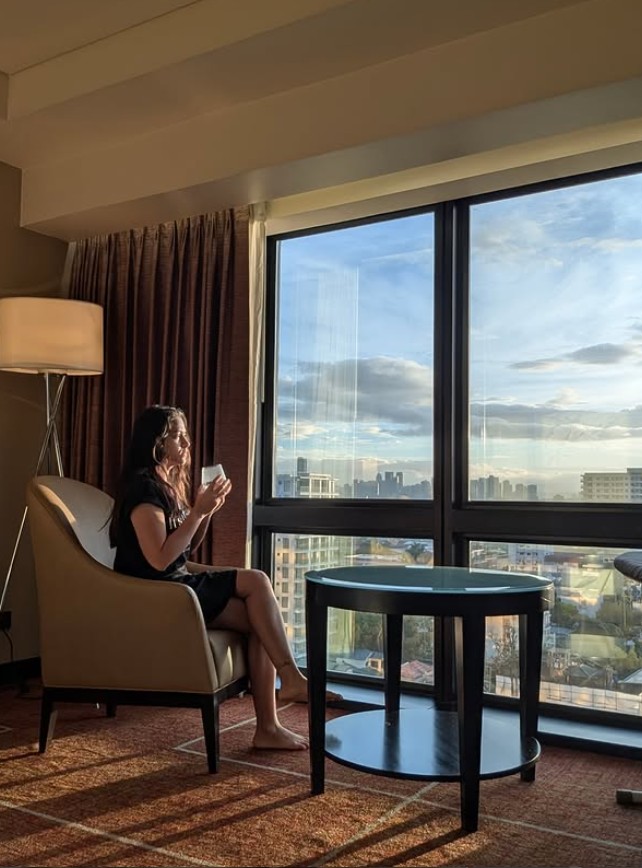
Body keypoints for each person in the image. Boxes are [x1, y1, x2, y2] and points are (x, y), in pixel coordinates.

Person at [109, 404, 340, 752]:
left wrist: (204, 513)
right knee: (258, 585)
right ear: (155, 442)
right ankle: (289, 680)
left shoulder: (165, 485)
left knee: (259, 613)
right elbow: (159, 560)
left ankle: (269, 725)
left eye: (185, 434)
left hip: (175, 583)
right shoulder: (143, 490)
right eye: (177, 435)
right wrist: (198, 512)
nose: (187, 442)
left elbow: (182, 550)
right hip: (159, 594)